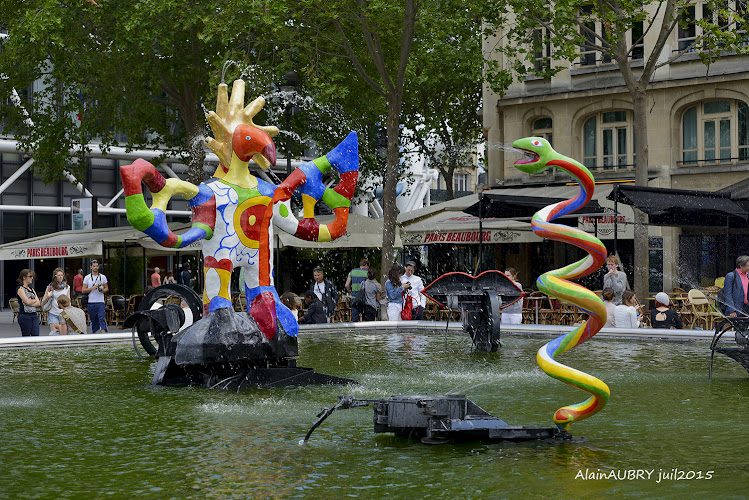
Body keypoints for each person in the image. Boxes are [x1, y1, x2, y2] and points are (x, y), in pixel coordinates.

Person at [41, 267, 71, 335]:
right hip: (53, 313)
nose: (60, 277)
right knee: (54, 334)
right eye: (58, 275)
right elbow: (42, 302)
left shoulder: (67, 287)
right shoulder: (51, 287)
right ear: (55, 277)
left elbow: (69, 300)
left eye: (62, 275)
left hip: (64, 313)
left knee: (64, 333)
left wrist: (70, 310)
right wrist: (48, 296)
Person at [82, 259, 109, 333]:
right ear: (91, 267)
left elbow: (106, 288)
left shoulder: (102, 277)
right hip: (91, 302)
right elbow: (83, 290)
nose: (95, 268)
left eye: (97, 266)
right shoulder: (87, 278)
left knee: (101, 318)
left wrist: (102, 290)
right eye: (94, 266)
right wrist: (92, 288)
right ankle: (94, 334)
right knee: (93, 319)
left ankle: (103, 334)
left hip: (100, 301)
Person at [16, 269, 41, 337]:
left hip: (34, 314)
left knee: (36, 334)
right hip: (25, 315)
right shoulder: (20, 289)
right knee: (26, 335)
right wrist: (33, 301)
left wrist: (31, 302)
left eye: (32, 276)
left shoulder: (31, 289)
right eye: (30, 276)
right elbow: (27, 302)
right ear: (24, 277)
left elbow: (38, 303)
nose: (32, 278)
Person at [345, 258, 370, 322]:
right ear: (366, 265)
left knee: (355, 318)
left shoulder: (352, 271)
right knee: (365, 319)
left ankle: (354, 331)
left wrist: (350, 291)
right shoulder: (367, 273)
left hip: (354, 297)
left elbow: (346, 285)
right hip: (364, 298)